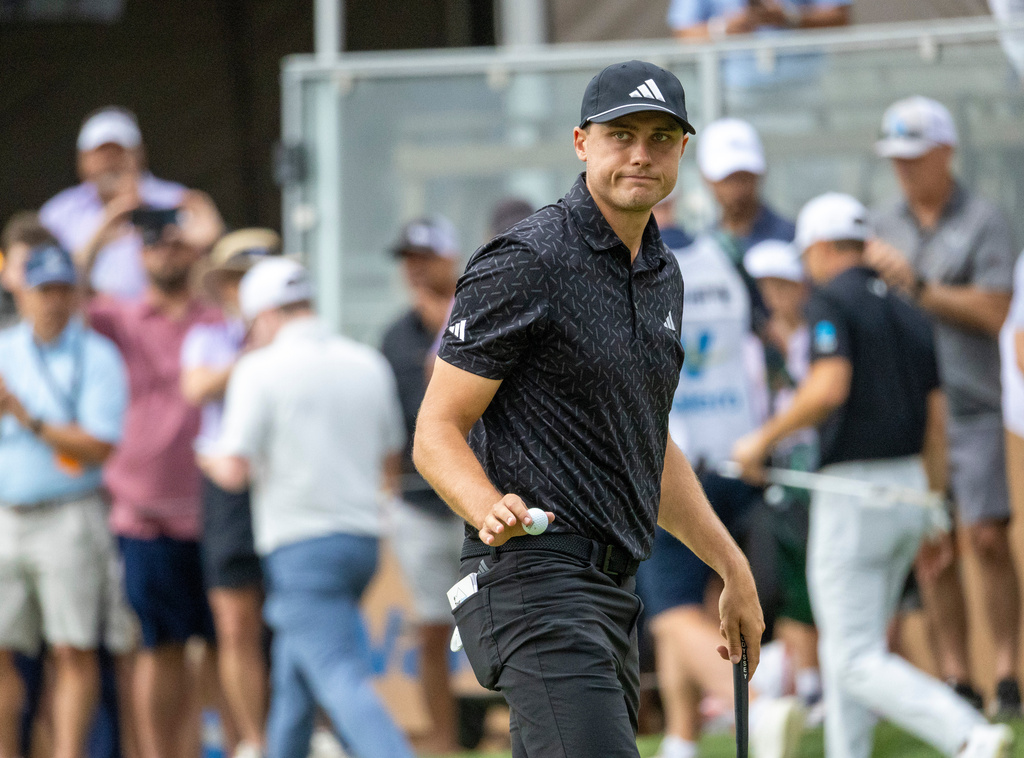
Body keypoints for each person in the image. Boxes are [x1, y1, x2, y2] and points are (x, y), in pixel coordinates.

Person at [413, 59, 764, 758]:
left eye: (661, 137)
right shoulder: (526, 260)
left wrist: (731, 566)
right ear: (581, 143)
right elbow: (435, 431)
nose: (641, 153)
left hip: (612, 593)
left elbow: (647, 444)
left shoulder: (662, 273)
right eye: (621, 134)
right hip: (535, 575)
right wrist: (487, 506)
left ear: (682, 152)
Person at [731, 192, 1012, 758]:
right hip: (911, 488)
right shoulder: (912, 307)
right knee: (851, 646)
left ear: (822, 247)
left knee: (855, 653)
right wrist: (935, 507)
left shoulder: (831, 299)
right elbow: (937, 423)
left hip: (854, 494)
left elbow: (829, 386)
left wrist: (762, 439)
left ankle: (970, 735)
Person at [202, 257, 416, 758]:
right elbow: (389, 456)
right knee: (295, 671)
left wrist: (206, 457)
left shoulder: (258, 369)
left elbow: (233, 468)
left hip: (299, 546)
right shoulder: (366, 361)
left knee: (338, 675)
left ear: (267, 316)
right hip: (363, 541)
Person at [867, 96, 1020, 715]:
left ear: (946, 152)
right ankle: (958, 677)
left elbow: (995, 310)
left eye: (915, 156)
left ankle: (1008, 672)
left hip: (973, 405)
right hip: (911, 412)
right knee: (932, 547)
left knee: (985, 537)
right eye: (896, 159)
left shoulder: (986, 220)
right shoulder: (880, 224)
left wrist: (920, 287)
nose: (904, 169)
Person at [634, 226, 799, 758]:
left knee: (671, 613)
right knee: (702, 603)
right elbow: (770, 341)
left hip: (676, 468)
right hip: (739, 460)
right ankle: (683, 737)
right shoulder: (727, 259)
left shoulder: (632, 266)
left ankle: (757, 698)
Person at [88, 207, 223, 758]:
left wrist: (206, 230)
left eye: (176, 242)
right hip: (143, 513)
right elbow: (63, 293)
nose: (167, 251)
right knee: (157, 647)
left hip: (213, 506)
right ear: (139, 255)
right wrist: (108, 224)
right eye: (155, 244)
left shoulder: (214, 318)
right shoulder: (118, 317)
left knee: (218, 646)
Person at [0, 243, 129, 758]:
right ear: (23, 294)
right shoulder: (5, 347)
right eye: (42, 290)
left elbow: (98, 447)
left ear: (76, 296)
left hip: (69, 516)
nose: (52, 301)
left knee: (72, 649)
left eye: (61, 290)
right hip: (6, 515)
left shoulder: (98, 356)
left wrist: (25, 416)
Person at [181, 229, 280, 758]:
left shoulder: (296, 336)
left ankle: (300, 735)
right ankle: (255, 742)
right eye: (240, 281)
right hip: (227, 485)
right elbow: (196, 387)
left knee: (293, 615)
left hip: (284, 480)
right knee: (235, 621)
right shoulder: (210, 337)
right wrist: (255, 353)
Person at [380, 216, 463, 755]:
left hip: (480, 494)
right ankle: (443, 746)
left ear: (451, 260)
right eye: (407, 258)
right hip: (419, 502)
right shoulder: (394, 334)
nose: (414, 268)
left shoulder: (480, 308)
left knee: (509, 621)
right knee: (432, 631)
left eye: (424, 256)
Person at [743, 239, 821, 716]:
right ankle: (810, 685)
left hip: (823, 469)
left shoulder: (821, 334)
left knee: (820, 576)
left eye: (782, 284)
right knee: (792, 578)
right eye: (766, 286)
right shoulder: (758, 348)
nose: (774, 295)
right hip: (784, 475)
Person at [40, 107, 220, 300]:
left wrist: (202, 239)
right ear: (82, 161)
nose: (108, 163)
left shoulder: (177, 199)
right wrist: (107, 224)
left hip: (166, 317)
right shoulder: (58, 213)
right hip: (92, 319)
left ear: (139, 154)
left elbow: (210, 258)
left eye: (118, 153)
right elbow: (45, 280)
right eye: (100, 154)